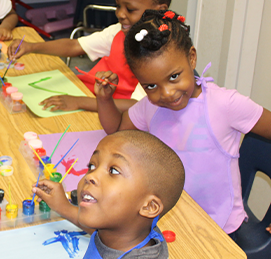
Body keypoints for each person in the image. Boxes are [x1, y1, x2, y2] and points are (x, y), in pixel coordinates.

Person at [96, 9, 271, 238]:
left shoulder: (225, 104)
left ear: (191, 57)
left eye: (174, 76)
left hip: (219, 226)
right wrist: (104, 99)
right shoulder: (151, 106)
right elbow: (118, 133)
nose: (166, 93)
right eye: (150, 86)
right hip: (170, 217)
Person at [33, 130, 185, 258]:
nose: (90, 176)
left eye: (113, 171)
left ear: (149, 206)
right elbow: (101, 229)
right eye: (92, 166)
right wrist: (63, 207)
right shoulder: (128, 229)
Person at [7, 0, 170, 113]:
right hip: (92, 97)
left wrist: (79, 102)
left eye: (130, 9)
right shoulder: (118, 31)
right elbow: (75, 45)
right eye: (118, 5)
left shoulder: (162, 53)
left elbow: (137, 106)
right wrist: (31, 47)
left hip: (113, 112)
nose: (120, 14)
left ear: (160, 9)